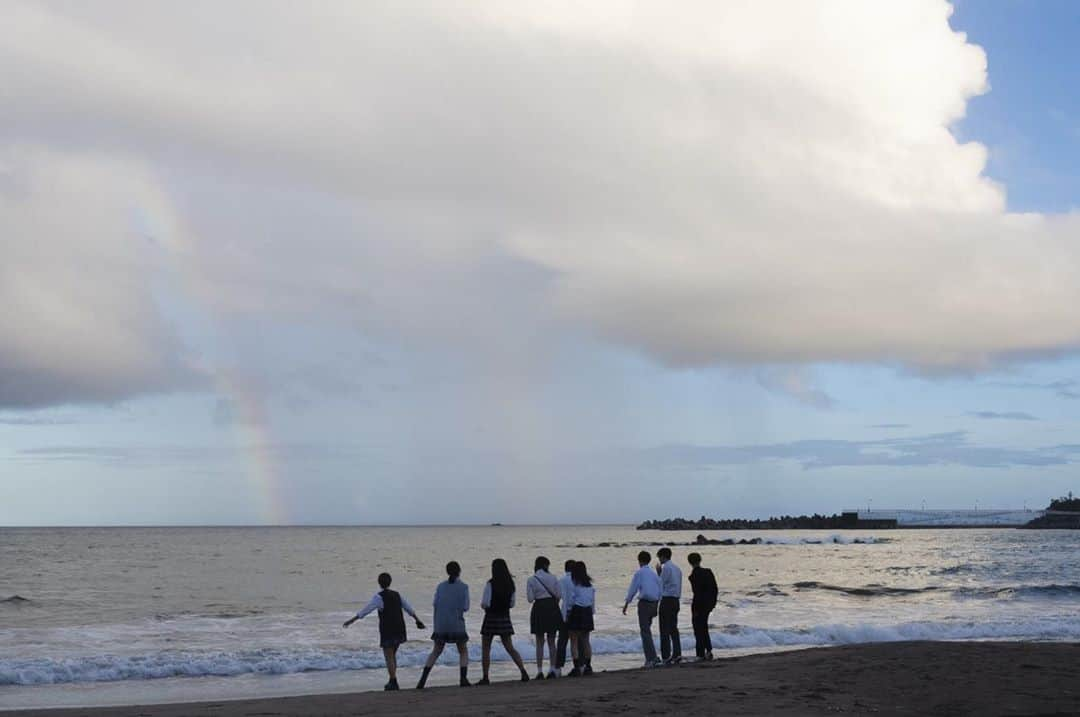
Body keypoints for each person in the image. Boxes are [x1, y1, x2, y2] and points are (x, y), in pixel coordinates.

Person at [343, 572, 425, 691]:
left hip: (388, 629)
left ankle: (393, 681)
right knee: (392, 655)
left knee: (389, 656)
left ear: (379, 583)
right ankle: (392, 679)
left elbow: (366, 610)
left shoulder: (379, 597)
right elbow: (409, 609)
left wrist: (351, 620)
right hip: (400, 628)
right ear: (390, 582)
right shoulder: (397, 595)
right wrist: (418, 620)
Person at [417, 561, 471, 688]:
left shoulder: (440, 586)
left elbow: (435, 603)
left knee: (436, 651)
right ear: (459, 571)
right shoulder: (464, 587)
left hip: (440, 624)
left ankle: (422, 680)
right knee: (463, 650)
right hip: (456, 623)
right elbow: (466, 607)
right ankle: (463, 679)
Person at [478, 558, 530, 685]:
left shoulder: (490, 583)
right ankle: (523, 671)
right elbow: (512, 604)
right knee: (509, 647)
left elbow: (485, 603)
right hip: (504, 617)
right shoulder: (510, 584)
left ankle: (485, 677)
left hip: (491, 617)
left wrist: (485, 607)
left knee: (486, 648)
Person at [622, 550, 662, 668]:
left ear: (639, 560)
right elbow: (660, 588)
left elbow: (633, 589)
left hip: (644, 604)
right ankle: (652, 657)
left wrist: (626, 604)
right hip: (654, 603)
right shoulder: (654, 574)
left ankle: (651, 658)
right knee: (647, 631)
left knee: (645, 632)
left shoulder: (639, 573)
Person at [526, 555, 562, 679]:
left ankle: (539, 671)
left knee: (539, 642)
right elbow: (559, 595)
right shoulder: (553, 578)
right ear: (546, 565)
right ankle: (552, 669)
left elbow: (530, 599)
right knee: (552, 642)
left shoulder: (531, 579)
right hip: (552, 608)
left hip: (539, 608)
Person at [565, 560, 595, 677]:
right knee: (586, 640)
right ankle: (588, 666)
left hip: (577, 611)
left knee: (573, 640)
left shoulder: (574, 584)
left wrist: (567, 614)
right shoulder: (590, 586)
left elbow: (570, 601)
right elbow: (592, 602)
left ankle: (577, 667)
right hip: (587, 612)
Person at [687, 552, 718, 660]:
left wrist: (695, 609)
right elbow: (715, 589)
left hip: (698, 605)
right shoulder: (708, 572)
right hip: (708, 604)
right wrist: (713, 603)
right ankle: (708, 650)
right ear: (700, 560)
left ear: (689, 562)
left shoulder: (693, 576)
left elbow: (697, 593)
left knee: (698, 629)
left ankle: (700, 653)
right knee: (704, 627)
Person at [656, 547, 683, 665]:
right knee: (673, 628)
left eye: (659, 557)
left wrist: (658, 573)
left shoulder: (666, 568)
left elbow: (660, 583)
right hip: (676, 600)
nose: (659, 559)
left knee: (664, 629)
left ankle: (665, 656)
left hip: (667, 600)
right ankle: (677, 653)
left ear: (663, 556)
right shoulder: (678, 569)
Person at [554, 559, 576, 676]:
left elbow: (558, 598)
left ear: (565, 568)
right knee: (578, 640)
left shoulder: (562, 580)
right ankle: (580, 665)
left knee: (562, 641)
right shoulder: (578, 580)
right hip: (577, 613)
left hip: (565, 613)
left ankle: (558, 668)